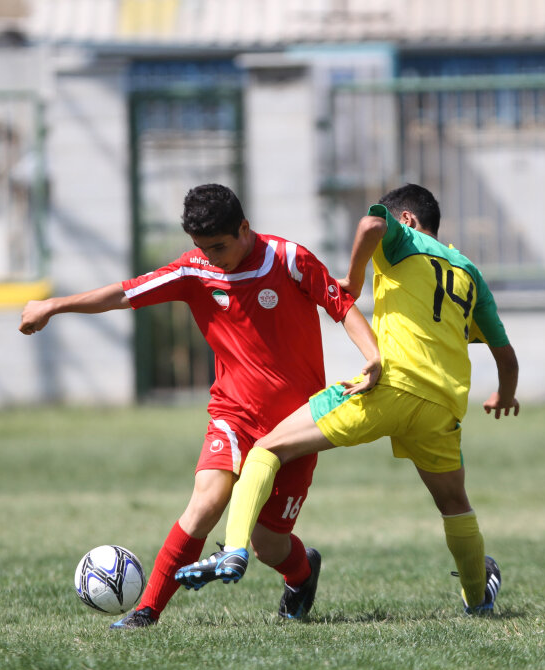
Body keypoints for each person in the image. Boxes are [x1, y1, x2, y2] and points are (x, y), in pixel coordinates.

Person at [19, 184, 380, 628]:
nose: (210, 257)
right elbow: (124, 294)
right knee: (206, 503)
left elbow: (341, 305)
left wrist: (373, 356)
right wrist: (54, 305)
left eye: (219, 247)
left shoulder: (289, 259)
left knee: (268, 544)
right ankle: (147, 611)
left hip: (297, 425)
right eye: (201, 247)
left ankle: (302, 573)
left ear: (244, 228)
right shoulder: (194, 270)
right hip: (234, 415)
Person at [175, 183, 519, 615]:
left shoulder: (404, 238)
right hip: (443, 406)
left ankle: (234, 549)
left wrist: (354, 280)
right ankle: (478, 599)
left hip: (390, 387)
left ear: (407, 220)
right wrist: (504, 394)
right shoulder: (469, 273)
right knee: (454, 504)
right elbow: (505, 354)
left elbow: (372, 224)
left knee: (267, 448)